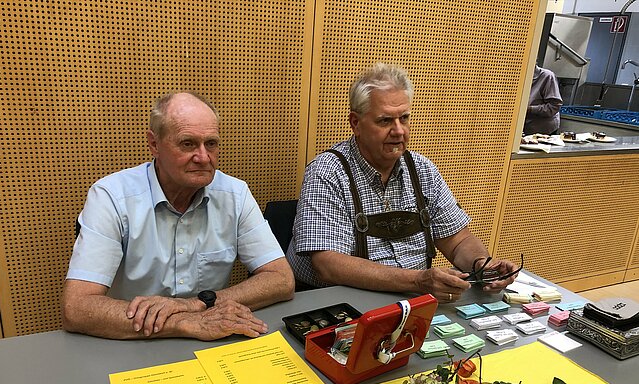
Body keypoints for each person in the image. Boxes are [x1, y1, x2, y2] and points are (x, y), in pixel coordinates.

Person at [62, 92, 294, 340]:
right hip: (132, 338)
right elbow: (76, 308)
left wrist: (195, 304)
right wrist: (183, 322)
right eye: (187, 143)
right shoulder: (111, 197)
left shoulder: (235, 194)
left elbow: (281, 279)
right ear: (154, 144)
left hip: (213, 337)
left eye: (211, 143)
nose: (203, 157)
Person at [287, 63, 519, 303]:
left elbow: (458, 240)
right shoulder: (328, 172)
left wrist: (481, 265)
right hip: (340, 302)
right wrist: (417, 281)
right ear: (355, 123)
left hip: (412, 300)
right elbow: (328, 265)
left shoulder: (422, 170)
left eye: (404, 118)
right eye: (385, 121)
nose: (399, 131)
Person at [523, 65, 563, 135]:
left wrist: (529, 109)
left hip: (542, 129)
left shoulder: (547, 76)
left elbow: (554, 107)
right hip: (523, 127)